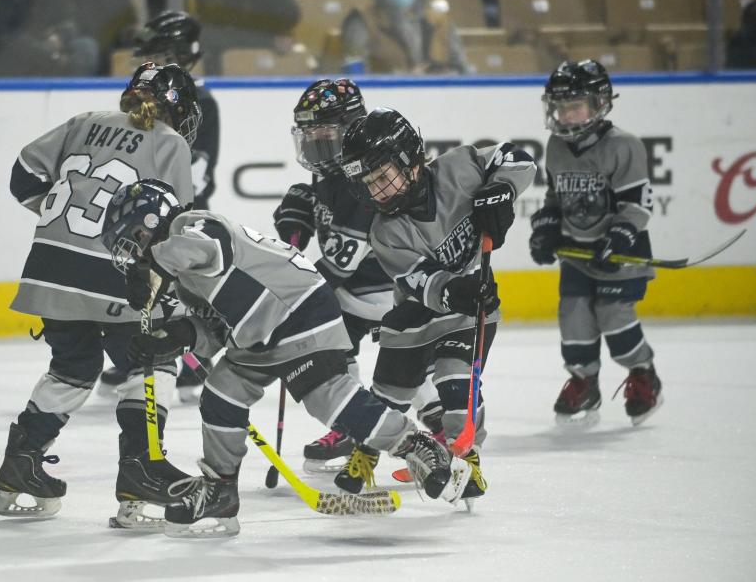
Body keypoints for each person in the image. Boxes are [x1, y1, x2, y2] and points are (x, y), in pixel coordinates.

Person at [100, 179, 475, 536]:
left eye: (134, 241)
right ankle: (221, 491)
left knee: (328, 399)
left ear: (153, 221)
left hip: (300, 310)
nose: (133, 255)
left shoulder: (193, 226)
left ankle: (416, 444)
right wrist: (176, 338)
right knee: (221, 393)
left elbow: (204, 250)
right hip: (260, 335)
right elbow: (216, 328)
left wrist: (153, 267)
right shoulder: (183, 278)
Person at [0, 62, 201, 526]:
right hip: (112, 270)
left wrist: (61, 225)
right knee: (153, 362)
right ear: (178, 108)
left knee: (73, 367)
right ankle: (141, 470)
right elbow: (174, 228)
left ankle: (21, 463)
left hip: (47, 268)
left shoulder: (82, 121)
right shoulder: (171, 143)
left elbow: (23, 178)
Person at [338, 108, 536, 503]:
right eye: (369, 183)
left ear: (410, 161)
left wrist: (503, 190)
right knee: (389, 393)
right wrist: (454, 289)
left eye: (383, 176)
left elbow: (517, 158)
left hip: (471, 310)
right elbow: (420, 281)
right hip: (416, 316)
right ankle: (365, 453)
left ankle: (469, 458)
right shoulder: (386, 232)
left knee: (456, 381)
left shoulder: (460, 167)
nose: (377, 191)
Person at [272, 79, 441, 480]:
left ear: (350, 129)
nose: (315, 146)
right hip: (352, 292)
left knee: (403, 370)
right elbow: (330, 225)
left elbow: (340, 264)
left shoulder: (364, 176)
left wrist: (294, 294)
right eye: (309, 136)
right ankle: (349, 426)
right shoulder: (332, 173)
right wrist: (302, 208)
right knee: (335, 349)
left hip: (389, 290)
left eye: (325, 137)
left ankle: (443, 424)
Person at [529, 59, 663, 427]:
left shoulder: (624, 146)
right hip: (576, 254)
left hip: (621, 253)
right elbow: (556, 200)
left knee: (614, 318)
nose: (567, 115)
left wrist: (617, 237)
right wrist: (546, 230)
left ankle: (643, 371)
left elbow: (638, 204)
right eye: (561, 107)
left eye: (575, 105)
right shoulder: (556, 146)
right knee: (573, 321)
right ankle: (585, 381)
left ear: (599, 102)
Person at [98, 10, 221, 402]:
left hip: (175, 213)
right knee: (139, 283)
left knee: (177, 289)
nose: (152, 63)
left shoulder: (199, 101)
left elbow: (196, 167)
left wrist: (172, 207)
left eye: (162, 53)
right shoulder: (149, 99)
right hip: (147, 209)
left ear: (184, 54)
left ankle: (189, 359)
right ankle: (144, 347)